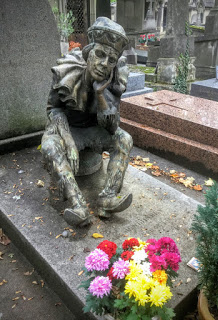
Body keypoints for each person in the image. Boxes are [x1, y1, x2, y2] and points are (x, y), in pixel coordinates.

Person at [41, 17, 133, 227]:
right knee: (49, 145)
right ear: (88, 53)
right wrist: (68, 141)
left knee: (124, 139)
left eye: (111, 60)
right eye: (100, 54)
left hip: (94, 130)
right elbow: (53, 109)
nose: (104, 64)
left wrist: (101, 96)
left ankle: (107, 198)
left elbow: (112, 127)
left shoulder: (114, 82)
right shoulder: (67, 72)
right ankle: (78, 205)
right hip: (67, 130)